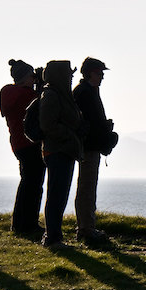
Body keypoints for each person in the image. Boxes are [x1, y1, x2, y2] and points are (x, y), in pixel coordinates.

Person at [73, 57, 117, 246]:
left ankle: (87, 226)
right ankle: (85, 228)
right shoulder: (84, 92)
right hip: (88, 146)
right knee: (87, 188)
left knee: (88, 186)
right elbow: (86, 121)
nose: (102, 77)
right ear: (90, 72)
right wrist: (103, 130)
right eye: (100, 73)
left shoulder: (87, 91)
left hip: (90, 145)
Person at [39, 60, 83, 249]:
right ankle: (52, 238)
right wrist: (69, 135)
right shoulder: (51, 95)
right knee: (56, 195)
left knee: (60, 194)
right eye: (68, 74)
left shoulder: (60, 94)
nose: (71, 77)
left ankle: (54, 236)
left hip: (64, 150)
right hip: (57, 150)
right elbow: (48, 125)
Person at [0, 59, 45, 237]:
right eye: (32, 76)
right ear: (26, 77)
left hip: (18, 143)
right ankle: (28, 223)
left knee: (26, 183)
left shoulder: (7, 92)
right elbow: (41, 103)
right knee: (34, 185)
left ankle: (19, 223)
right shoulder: (27, 95)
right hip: (31, 143)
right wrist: (42, 85)